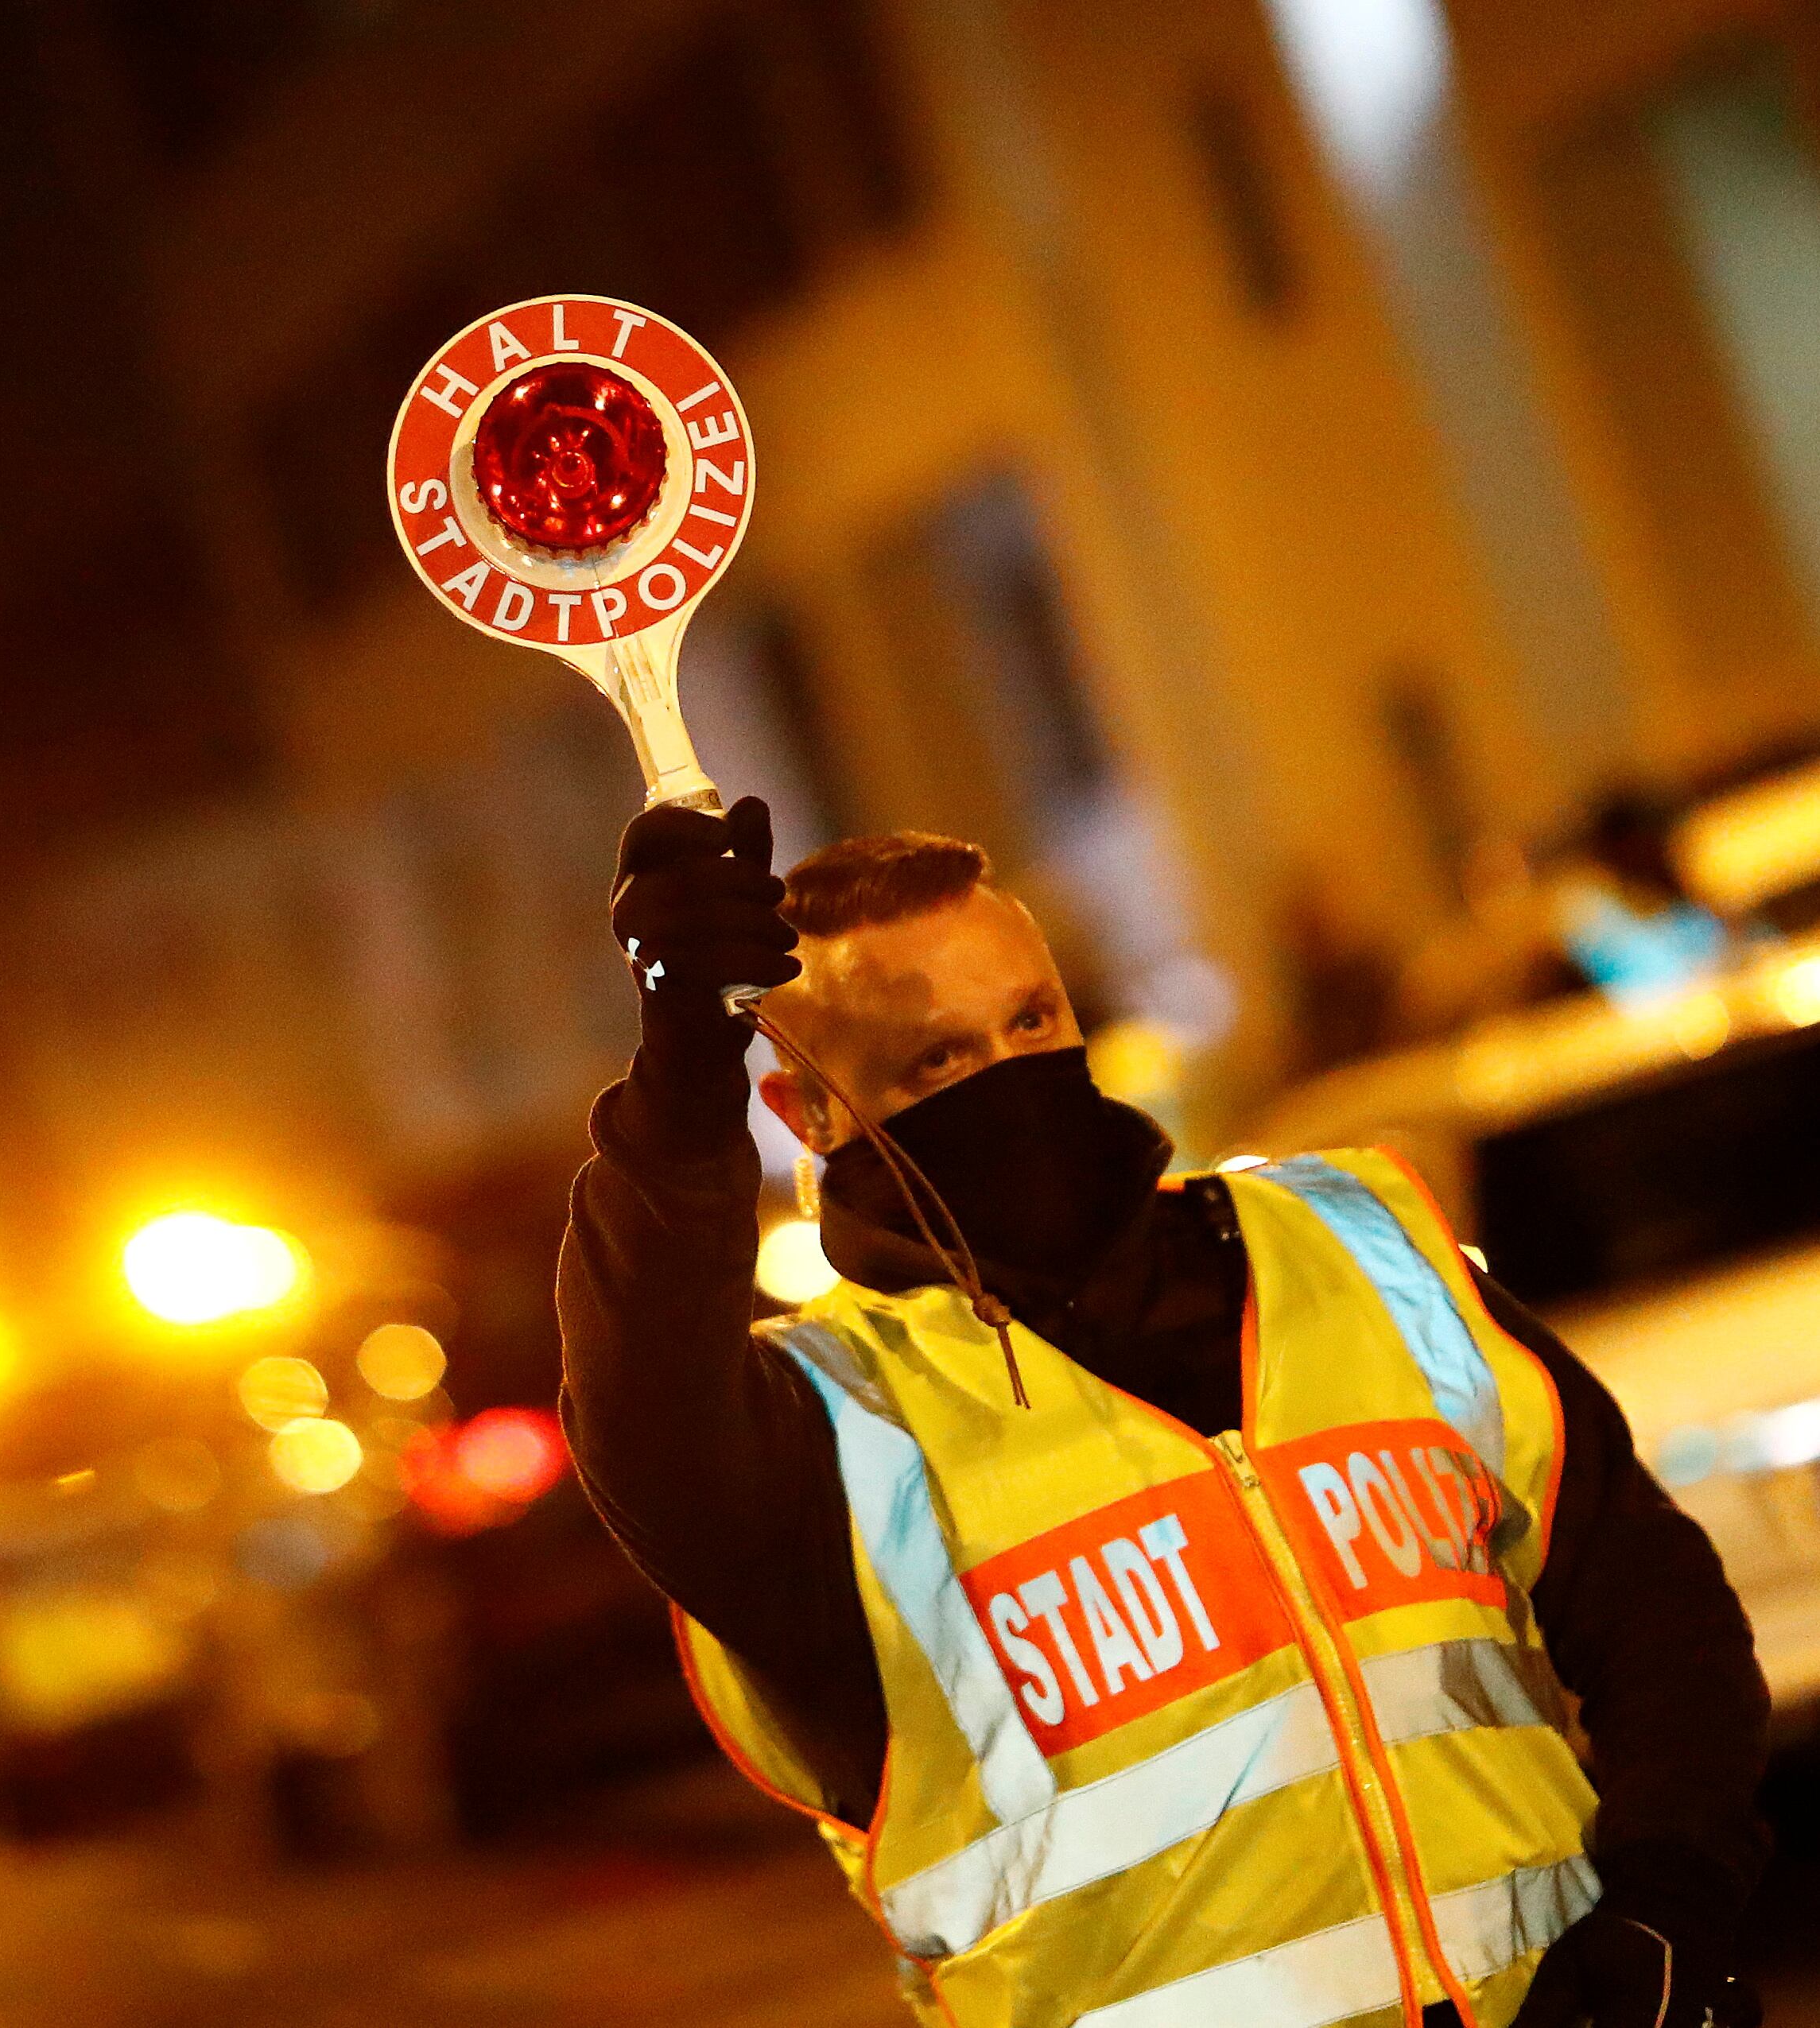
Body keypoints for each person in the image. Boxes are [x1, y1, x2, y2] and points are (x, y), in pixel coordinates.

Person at [560, 801, 1771, 2028]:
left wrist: (1670, 1905)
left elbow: (1655, 1609)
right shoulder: (828, 1439)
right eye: (939, 1061)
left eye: (1033, 1020)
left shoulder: (1357, 1255)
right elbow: (637, 1412)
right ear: (806, 1114)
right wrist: (679, 1087)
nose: (1014, 1080)